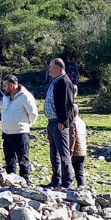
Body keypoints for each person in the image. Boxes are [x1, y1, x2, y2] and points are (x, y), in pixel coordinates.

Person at [43, 58, 76, 189]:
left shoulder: (64, 81)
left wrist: (63, 121)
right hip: (52, 121)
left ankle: (66, 182)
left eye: (51, 66)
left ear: (58, 68)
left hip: (59, 122)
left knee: (63, 153)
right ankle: (55, 180)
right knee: (54, 153)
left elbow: (68, 104)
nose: (49, 69)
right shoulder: (56, 81)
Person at [0, 74, 38, 180]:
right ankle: (11, 180)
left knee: (23, 159)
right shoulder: (5, 96)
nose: (3, 88)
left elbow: (33, 114)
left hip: (20, 133)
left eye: (5, 86)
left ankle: (24, 180)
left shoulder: (25, 96)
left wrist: (26, 125)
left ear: (12, 86)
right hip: (7, 133)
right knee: (9, 159)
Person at [69, 104, 88, 187]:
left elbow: (73, 137)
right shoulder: (82, 122)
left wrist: (71, 150)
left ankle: (66, 187)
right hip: (83, 151)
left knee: (67, 170)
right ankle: (82, 188)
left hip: (75, 151)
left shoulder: (72, 122)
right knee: (79, 173)